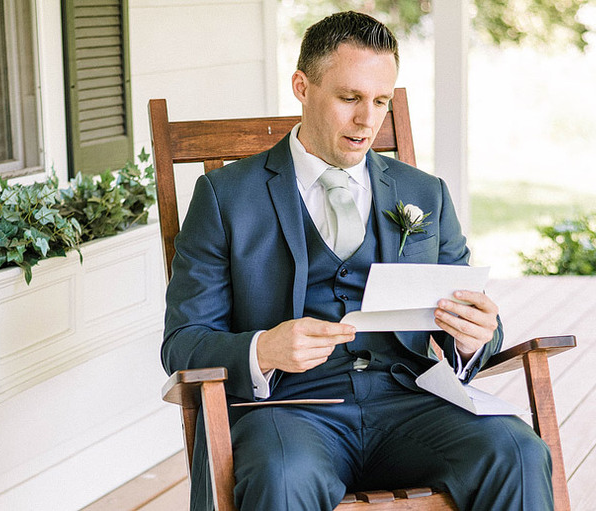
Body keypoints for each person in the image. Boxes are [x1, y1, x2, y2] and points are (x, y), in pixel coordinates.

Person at [162, 10, 553, 511]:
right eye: (349, 98)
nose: (368, 120)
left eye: (381, 101)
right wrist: (263, 349)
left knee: (517, 452)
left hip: (412, 405)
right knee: (282, 477)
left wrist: (475, 336)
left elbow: (476, 324)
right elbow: (183, 344)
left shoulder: (424, 193)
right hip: (291, 411)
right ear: (302, 86)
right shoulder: (224, 197)